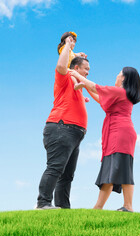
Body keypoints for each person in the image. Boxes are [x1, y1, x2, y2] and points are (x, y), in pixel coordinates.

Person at [70, 66, 140, 212]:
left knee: (122, 169)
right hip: (116, 133)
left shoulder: (119, 92)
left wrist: (78, 75)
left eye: (119, 73)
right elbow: (101, 99)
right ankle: (98, 207)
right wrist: (84, 85)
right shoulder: (120, 95)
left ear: (124, 78)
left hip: (120, 134)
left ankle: (128, 206)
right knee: (109, 170)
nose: (116, 75)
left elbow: (96, 87)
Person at [36, 36, 91, 210]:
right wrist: (68, 45)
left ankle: (63, 208)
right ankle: (43, 203)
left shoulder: (77, 84)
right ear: (75, 68)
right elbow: (61, 66)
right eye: (86, 69)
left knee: (67, 175)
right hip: (61, 128)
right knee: (55, 168)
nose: (88, 72)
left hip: (75, 133)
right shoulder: (65, 76)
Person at [57, 31, 89, 102]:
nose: (73, 44)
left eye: (74, 42)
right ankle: (76, 84)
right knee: (74, 76)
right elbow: (64, 53)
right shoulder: (64, 48)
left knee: (78, 77)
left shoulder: (71, 51)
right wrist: (68, 43)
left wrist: (80, 54)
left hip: (71, 68)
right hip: (67, 68)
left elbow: (75, 54)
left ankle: (81, 96)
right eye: (72, 41)